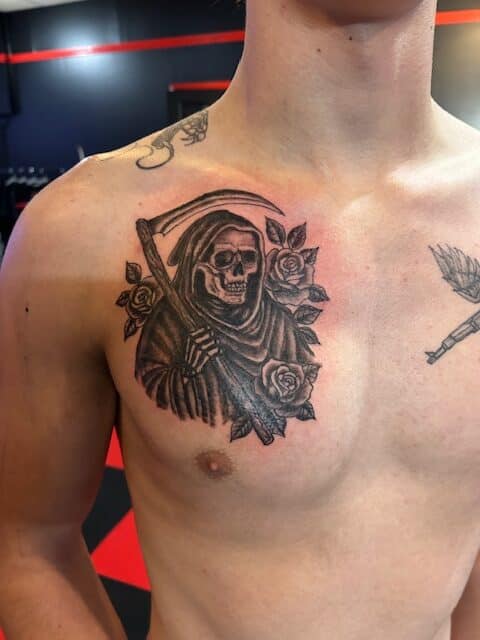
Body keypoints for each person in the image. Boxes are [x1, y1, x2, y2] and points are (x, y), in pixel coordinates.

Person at [1, 0, 480, 638]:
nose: (236, 276)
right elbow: (26, 547)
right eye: (222, 263)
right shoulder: (80, 230)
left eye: (247, 263)